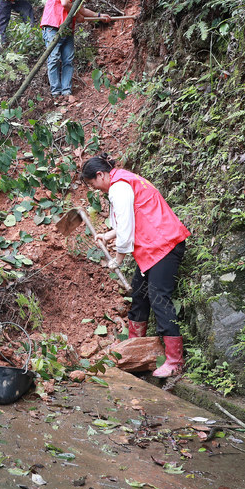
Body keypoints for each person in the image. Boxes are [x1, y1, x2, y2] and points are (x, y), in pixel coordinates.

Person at [82, 154, 191, 378]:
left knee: (159, 296)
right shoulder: (125, 180)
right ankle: (135, 348)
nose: (96, 189)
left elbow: (126, 229)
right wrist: (107, 235)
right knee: (140, 295)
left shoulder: (118, 188)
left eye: (94, 184)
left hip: (165, 244)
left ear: (101, 175)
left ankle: (175, 361)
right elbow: (130, 218)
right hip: (153, 248)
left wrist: (118, 259)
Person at [40, 0, 110, 97]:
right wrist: (77, 16)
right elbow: (65, 3)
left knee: (68, 59)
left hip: (67, 30)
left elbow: (82, 10)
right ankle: (56, 92)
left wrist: (99, 16)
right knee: (54, 58)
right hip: (53, 27)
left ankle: (66, 90)